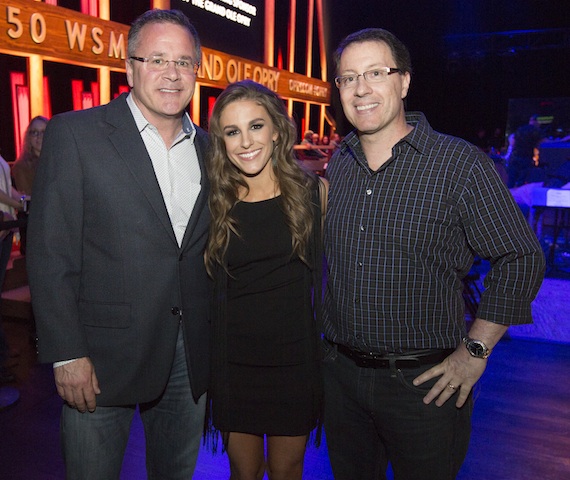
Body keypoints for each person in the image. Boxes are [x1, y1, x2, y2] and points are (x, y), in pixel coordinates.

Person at [322, 28, 545, 480]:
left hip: (424, 386)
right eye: (348, 78)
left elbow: (521, 256)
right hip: (341, 380)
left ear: (403, 82)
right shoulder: (340, 162)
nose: (361, 88)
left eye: (375, 73)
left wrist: (475, 350)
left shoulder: (458, 164)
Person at [26, 9, 210, 479]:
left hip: (189, 360)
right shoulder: (76, 134)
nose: (172, 73)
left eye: (184, 62)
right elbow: (51, 253)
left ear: (196, 70)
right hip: (99, 360)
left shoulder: (211, 149)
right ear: (129, 68)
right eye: (156, 59)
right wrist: (66, 353)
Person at [205, 79, 327, 480]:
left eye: (256, 126)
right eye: (232, 132)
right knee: (243, 470)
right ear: (221, 141)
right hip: (233, 360)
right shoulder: (214, 201)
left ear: (277, 129)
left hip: (293, 359)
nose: (245, 142)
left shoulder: (315, 194)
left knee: (287, 469)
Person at [0, 154, 26, 384]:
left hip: (6, 228)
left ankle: (3, 350)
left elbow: (7, 187)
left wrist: (25, 199)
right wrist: (17, 205)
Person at [11, 115, 48, 255]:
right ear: (29, 137)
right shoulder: (21, 166)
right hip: (34, 225)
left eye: (43, 132)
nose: (38, 137)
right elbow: (27, 197)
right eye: (34, 132)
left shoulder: (60, 161)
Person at [507, 114, 544, 187]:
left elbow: (513, 141)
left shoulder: (521, 129)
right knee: (521, 181)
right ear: (537, 122)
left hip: (515, 156)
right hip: (525, 158)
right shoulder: (536, 131)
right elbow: (542, 142)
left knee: (511, 180)